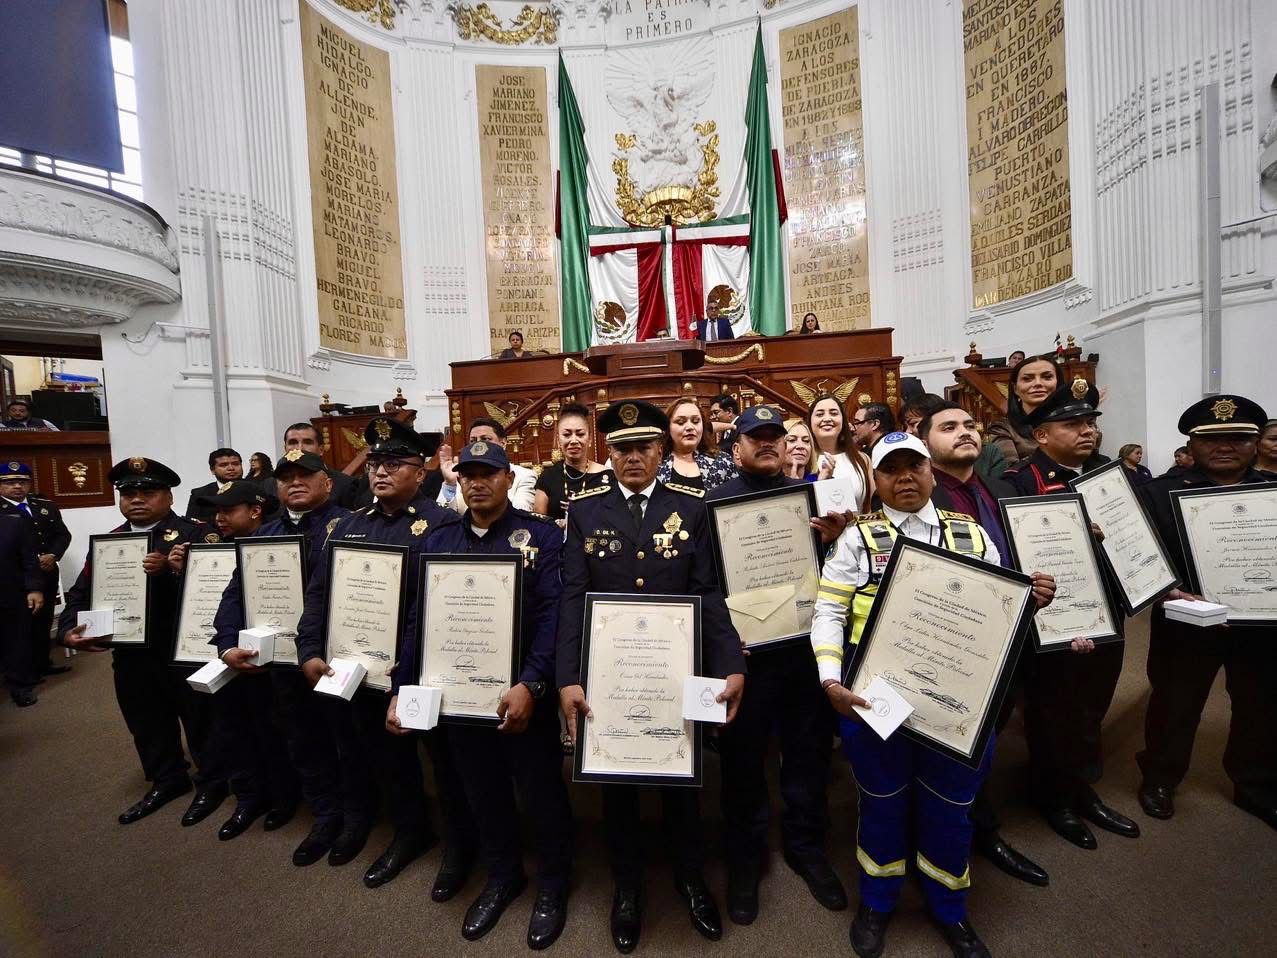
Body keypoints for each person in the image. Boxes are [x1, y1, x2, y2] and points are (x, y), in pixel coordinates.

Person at [811, 430, 1055, 958]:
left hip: (957, 699)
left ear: (930, 472)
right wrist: (831, 680)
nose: (905, 478)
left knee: (951, 806)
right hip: (875, 697)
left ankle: (950, 908)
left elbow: (996, 612)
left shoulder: (972, 534)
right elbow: (828, 611)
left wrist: (1029, 601)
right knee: (882, 801)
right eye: (891, 469)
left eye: (914, 466)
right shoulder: (857, 538)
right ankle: (877, 902)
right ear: (875, 481)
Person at [557, 400, 745, 954]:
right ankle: (627, 889)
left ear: (661, 450)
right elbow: (572, 598)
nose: (632, 457)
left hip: (674, 671)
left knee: (681, 782)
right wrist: (567, 677)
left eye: (642, 447)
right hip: (611, 675)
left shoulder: (690, 507)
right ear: (608, 453)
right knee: (616, 787)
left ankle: (691, 879)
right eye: (621, 448)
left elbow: (707, 591)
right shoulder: (585, 511)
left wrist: (731, 662)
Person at [393, 440, 574, 949]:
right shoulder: (439, 540)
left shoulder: (540, 536)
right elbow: (418, 620)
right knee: (482, 791)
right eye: (468, 475)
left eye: (488, 474)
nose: (477, 483)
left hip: (522, 695)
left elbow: (553, 617)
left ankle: (553, 883)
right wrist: (402, 688)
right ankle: (502, 876)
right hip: (458, 701)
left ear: (508, 478)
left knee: (541, 793)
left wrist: (532, 683)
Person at [296, 418, 478, 894]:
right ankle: (407, 832)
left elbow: (451, 606)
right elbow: (319, 594)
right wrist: (308, 648)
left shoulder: (443, 524)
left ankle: (459, 847)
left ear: (421, 472)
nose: (380, 471)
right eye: (375, 462)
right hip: (358, 670)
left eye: (394, 463)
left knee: (444, 764)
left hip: (418, 670)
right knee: (378, 755)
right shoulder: (348, 523)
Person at [707, 406, 850, 924]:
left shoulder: (811, 500)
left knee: (808, 756)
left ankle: (806, 847)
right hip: (747, 658)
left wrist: (833, 540)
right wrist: (725, 647)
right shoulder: (713, 504)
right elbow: (705, 586)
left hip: (804, 651)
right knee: (743, 764)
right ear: (737, 448)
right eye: (756, 437)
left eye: (776, 437)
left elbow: (839, 576)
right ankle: (745, 860)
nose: (768, 444)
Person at [58, 457, 229, 826]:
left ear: (169, 497)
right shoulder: (111, 542)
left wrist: (171, 571)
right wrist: (68, 628)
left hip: (183, 649)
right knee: (146, 720)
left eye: (148, 492)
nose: (137, 499)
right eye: (128, 493)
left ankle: (214, 782)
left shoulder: (197, 534)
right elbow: (82, 591)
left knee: (200, 720)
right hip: (131, 652)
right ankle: (167, 779)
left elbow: (215, 595)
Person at [921, 403, 1050, 888]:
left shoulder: (1002, 489)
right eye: (948, 427)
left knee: (991, 735)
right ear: (925, 441)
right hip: (951, 642)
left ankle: (976, 819)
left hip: (1011, 635)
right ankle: (974, 830)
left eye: (969, 425)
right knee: (956, 742)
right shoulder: (917, 494)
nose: (964, 433)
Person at [1003, 382, 1136, 850]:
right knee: (1052, 711)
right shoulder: (1021, 483)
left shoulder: (1109, 475)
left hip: (1110, 611)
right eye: (1073, 424)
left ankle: (1082, 789)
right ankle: (1054, 798)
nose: (1087, 432)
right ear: (1041, 435)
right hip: (1055, 616)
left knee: (1093, 704)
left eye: (1090, 423)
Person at [1136, 395, 1277, 830]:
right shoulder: (1157, 493)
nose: (1225, 446)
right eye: (1212, 439)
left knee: (1260, 707)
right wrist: (1162, 590)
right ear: (1192, 444)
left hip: (1261, 627)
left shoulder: (1272, 492)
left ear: (1255, 443)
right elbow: (1136, 556)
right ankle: (1159, 778)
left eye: (1238, 438)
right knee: (1174, 705)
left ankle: (1254, 786)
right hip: (1186, 623)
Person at [211, 449, 349, 865]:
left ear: (327, 482)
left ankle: (357, 816)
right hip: (283, 663)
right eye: (286, 477)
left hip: (336, 661)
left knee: (347, 742)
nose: (295, 483)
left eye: (305, 475)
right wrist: (226, 643)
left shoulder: (350, 526)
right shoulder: (263, 535)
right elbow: (235, 593)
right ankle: (325, 815)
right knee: (300, 739)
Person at [168, 479, 298, 844]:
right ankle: (249, 797)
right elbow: (222, 601)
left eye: (228, 511)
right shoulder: (209, 546)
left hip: (274, 656)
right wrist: (225, 646)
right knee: (233, 729)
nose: (219, 519)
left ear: (255, 510)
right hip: (227, 655)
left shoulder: (278, 543)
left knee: (273, 731)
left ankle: (283, 797)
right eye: (216, 512)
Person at [0, 461, 72, 681]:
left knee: (43, 622)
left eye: (22, 482)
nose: (17, 486)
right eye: (10, 482)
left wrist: (53, 555)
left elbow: (63, 535)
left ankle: (42, 663)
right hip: (15, 578)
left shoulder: (44, 505)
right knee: (18, 628)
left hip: (46, 573)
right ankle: (22, 674)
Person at [533, 402, 612, 524]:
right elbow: (538, 524)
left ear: (590, 439)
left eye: (580, 434)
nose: (574, 440)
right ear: (558, 440)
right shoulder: (548, 477)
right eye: (567, 435)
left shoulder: (607, 476)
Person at [438, 418, 536, 514]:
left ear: (503, 443)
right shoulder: (461, 475)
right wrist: (450, 484)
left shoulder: (524, 475)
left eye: (485, 439)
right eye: (473, 441)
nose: (479, 444)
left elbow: (520, 515)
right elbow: (440, 518)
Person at [0, 497, 43, 707]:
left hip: (11, 593)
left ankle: (20, 687)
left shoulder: (13, 523)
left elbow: (29, 559)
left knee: (16, 641)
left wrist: (34, 588)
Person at [985, 355, 1059, 464]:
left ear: (1058, 383)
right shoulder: (1003, 428)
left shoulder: (1074, 421)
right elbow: (1011, 470)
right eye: (1027, 379)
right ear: (1015, 388)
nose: (1038, 383)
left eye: (1047, 377)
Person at [807, 394, 872, 512]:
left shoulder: (862, 459)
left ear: (843, 420)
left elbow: (869, 508)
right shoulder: (804, 459)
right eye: (820, 414)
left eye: (834, 413)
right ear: (810, 421)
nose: (827, 419)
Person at [658, 397, 737, 492]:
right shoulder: (655, 464)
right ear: (668, 427)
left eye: (695, 421)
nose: (690, 427)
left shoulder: (723, 462)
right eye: (680, 422)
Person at [282, 422, 358, 509]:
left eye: (307, 442)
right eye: (293, 442)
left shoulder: (345, 484)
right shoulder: (271, 485)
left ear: (321, 450)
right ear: (285, 449)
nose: (300, 448)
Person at [184, 448, 244, 524]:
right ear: (212, 470)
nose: (231, 468)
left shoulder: (255, 488)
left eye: (235, 464)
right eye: (223, 465)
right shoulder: (200, 494)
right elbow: (191, 522)